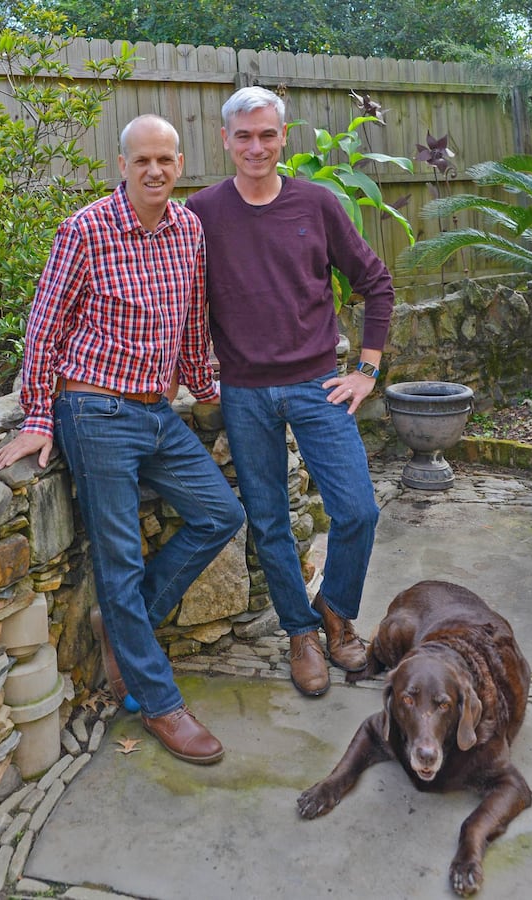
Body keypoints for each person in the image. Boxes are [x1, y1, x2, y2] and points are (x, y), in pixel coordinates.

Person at [0, 114, 245, 764]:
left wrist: (209, 387)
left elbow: (191, 322)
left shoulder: (189, 228)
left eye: (166, 159)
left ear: (180, 162)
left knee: (221, 513)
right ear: (123, 165)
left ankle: (122, 627)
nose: (155, 170)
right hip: (93, 413)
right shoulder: (85, 230)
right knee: (119, 561)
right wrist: (41, 421)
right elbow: (44, 333)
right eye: (143, 161)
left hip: (157, 411)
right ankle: (158, 700)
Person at [185, 86, 395, 698]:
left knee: (358, 509)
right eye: (244, 136)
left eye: (267, 135)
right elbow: (172, 293)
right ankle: (301, 633)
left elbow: (375, 283)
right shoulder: (199, 212)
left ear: (284, 138)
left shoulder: (317, 204)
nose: (256, 146)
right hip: (243, 391)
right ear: (225, 139)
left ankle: (335, 612)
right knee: (270, 522)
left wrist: (368, 370)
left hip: (315, 384)